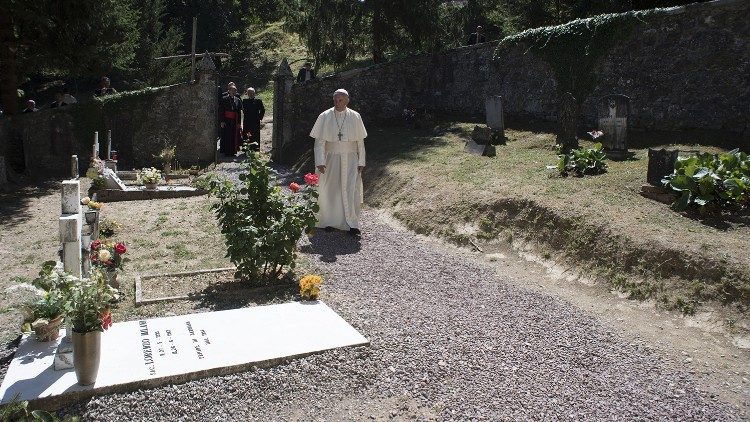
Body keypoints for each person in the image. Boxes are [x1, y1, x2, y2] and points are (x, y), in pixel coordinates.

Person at [309, 88, 367, 238]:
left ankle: (352, 224)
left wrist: (362, 160)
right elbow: (320, 142)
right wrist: (320, 162)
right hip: (331, 159)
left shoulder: (355, 116)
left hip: (351, 158)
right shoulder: (325, 116)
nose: (337, 102)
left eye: (340, 100)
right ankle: (328, 221)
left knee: (350, 189)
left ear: (347, 100)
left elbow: (360, 142)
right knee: (331, 189)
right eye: (335, 100)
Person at [219, 83, 242, 155]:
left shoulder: (237, 99)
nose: (234, 92)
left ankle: (233, 151)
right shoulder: (224, 99)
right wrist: (222, 121)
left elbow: (239, 112)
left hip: (234, 120)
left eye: (235, 91)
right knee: (227, 136)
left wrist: (239, 123)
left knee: (233, 136)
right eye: (232, 90)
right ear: (229, 91)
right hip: (226, 120)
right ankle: (227, 152)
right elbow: (221, 111)